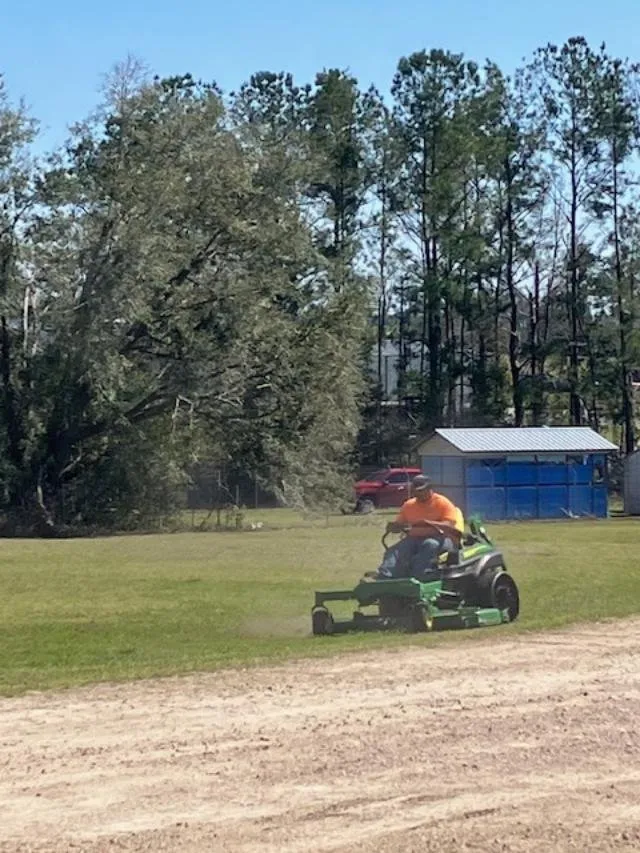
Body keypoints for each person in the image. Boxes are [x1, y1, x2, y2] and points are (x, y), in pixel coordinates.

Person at [377, 474, 463, 580]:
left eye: (421, 490)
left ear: (429, 488)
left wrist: (428, 523)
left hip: (440, 538)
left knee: (429, 545)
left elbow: (450, 525)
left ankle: (419, 576)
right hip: (414, 538)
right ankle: (385, 576)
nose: (418, 493)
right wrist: (393, 527)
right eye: (415, 491)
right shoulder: (409, 505)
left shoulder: (442, 503)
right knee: (396, 549)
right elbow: (399, 525)